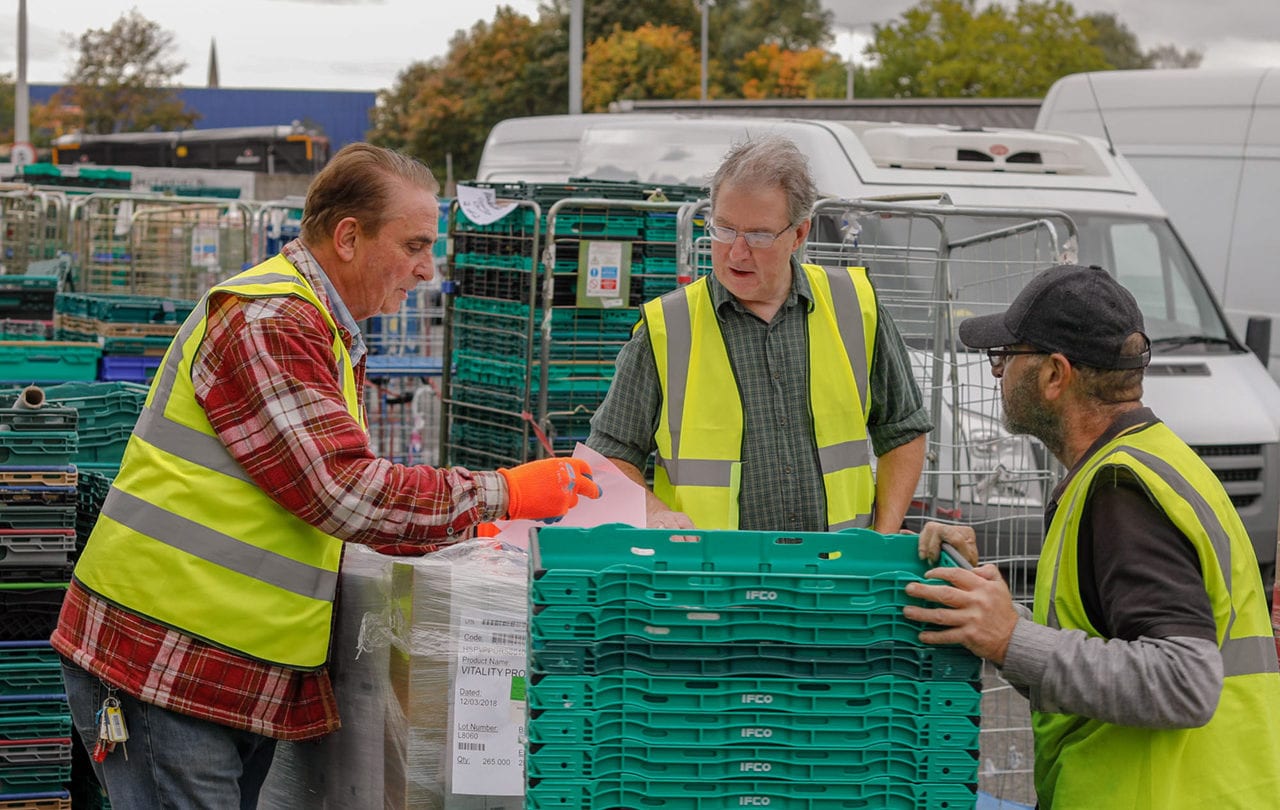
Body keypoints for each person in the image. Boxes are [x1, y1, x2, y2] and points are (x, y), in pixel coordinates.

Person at [52, 143, 600, 809]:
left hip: (220, 667)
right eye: (415, 245)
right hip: (167, 658)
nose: (428, 271)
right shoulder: (271, 320)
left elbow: (310, 496)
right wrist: (507, 491)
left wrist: (463, 529)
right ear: (348, 237)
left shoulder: (316, 328)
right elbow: (342, 491)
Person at [904, 264, 1280, 808]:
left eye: (1005, 359)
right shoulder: (1147, 461)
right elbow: (1108, 646)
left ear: (1055, 375)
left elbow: (1186, 681)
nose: (997, 375)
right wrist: (987, 617)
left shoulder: (1120, 488)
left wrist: (1011, 637)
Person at [586, 135, 930, 535]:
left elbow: (903, 431)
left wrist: (882, 538)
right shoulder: (666, 328)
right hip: (710, 579)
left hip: (835, 575)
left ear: (799, 235)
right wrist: (654, 513)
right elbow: (608, 455)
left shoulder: (856, 307)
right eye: (724, 230)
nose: (736, 252)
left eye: (759, 235)